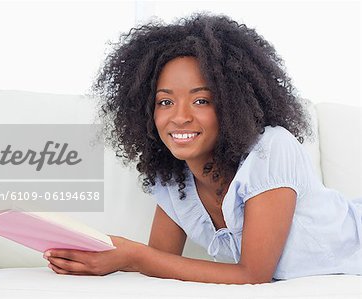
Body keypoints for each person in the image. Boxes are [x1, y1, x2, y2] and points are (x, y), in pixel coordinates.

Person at [43, 13, 362, 284]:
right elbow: (160, 263)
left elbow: (253, 275)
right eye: (165, 102)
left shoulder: (270, 150)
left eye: (201, 100)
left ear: (233, 104)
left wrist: (132, 256)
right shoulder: (172, 179)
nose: (180, 117)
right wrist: (98, 258)